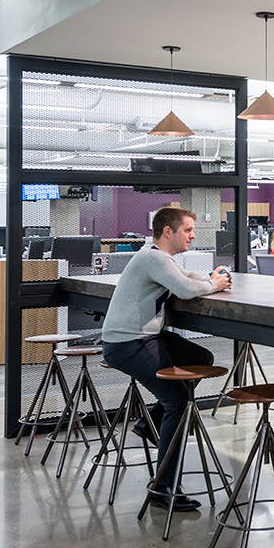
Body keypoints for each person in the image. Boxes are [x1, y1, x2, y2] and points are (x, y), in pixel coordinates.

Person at [100, 206, 233, 513]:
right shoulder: (154, 258)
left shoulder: (159, 258)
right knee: (178, 402)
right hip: (128, 343)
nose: (192, 235)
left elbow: (187, 277)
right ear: (168, 231)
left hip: (145, 337)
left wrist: (210, 279)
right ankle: (163, 488)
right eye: (187, 230)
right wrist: (215, 284)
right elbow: (185, 289)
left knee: (200, 356)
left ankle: (152, 422)